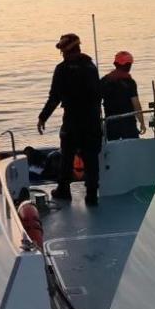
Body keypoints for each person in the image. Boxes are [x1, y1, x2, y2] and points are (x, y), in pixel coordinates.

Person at [37, 33, 102, 205]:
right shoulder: (91, 67)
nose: (62, 54)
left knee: (67, 156)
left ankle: (64, 190)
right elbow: (97, 94)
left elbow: (54, 97)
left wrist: (43, 117)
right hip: (92, 120)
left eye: (63, 51)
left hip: (72, 121)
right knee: (91, 159)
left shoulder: (62, 69)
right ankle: (92, 194)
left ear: (67, 51)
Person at [100, 50, 146, 141]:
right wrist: (142, 122)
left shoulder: (104, 81)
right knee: (132, 146)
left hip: (111, 123)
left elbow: (96, 102)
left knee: (112, 146)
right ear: (128, 65)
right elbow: (136, 104)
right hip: (128, 123)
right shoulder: (130, 82)